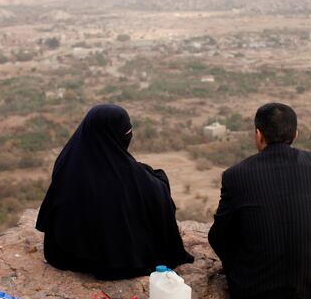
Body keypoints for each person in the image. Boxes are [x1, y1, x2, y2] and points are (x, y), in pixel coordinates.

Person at [208, 102, 311, 299]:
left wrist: (240, 266)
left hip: (253, 291)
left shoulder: (235, 175)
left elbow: (219, 237)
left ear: (258, 134)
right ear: (296, 134)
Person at [36, 104, 193, 279]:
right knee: (158, 179)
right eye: (126, 129)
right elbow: (156, 196)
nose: (129, 133)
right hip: (117, 261)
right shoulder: (128, 179)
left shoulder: (68, 160)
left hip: (66, 253)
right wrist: (156, 179)